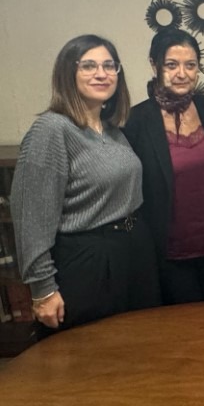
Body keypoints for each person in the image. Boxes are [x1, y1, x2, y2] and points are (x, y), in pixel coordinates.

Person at [10, 35, 161, 335]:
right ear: (68, 73)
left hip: (133, 249)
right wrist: (43, 289)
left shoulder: (112, 129)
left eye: (109, 66)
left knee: (141, 342)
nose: (101, 74)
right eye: (89, 66)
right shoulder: (52, 129)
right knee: (91, 349)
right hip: (89, 258)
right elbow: (31, 217)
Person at [124, 28, 204, 304]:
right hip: (170, 251)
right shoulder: (136, 121)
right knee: (184, 324)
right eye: (171, 65)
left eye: (190, 65)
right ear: (155, 65)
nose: (182, 73)